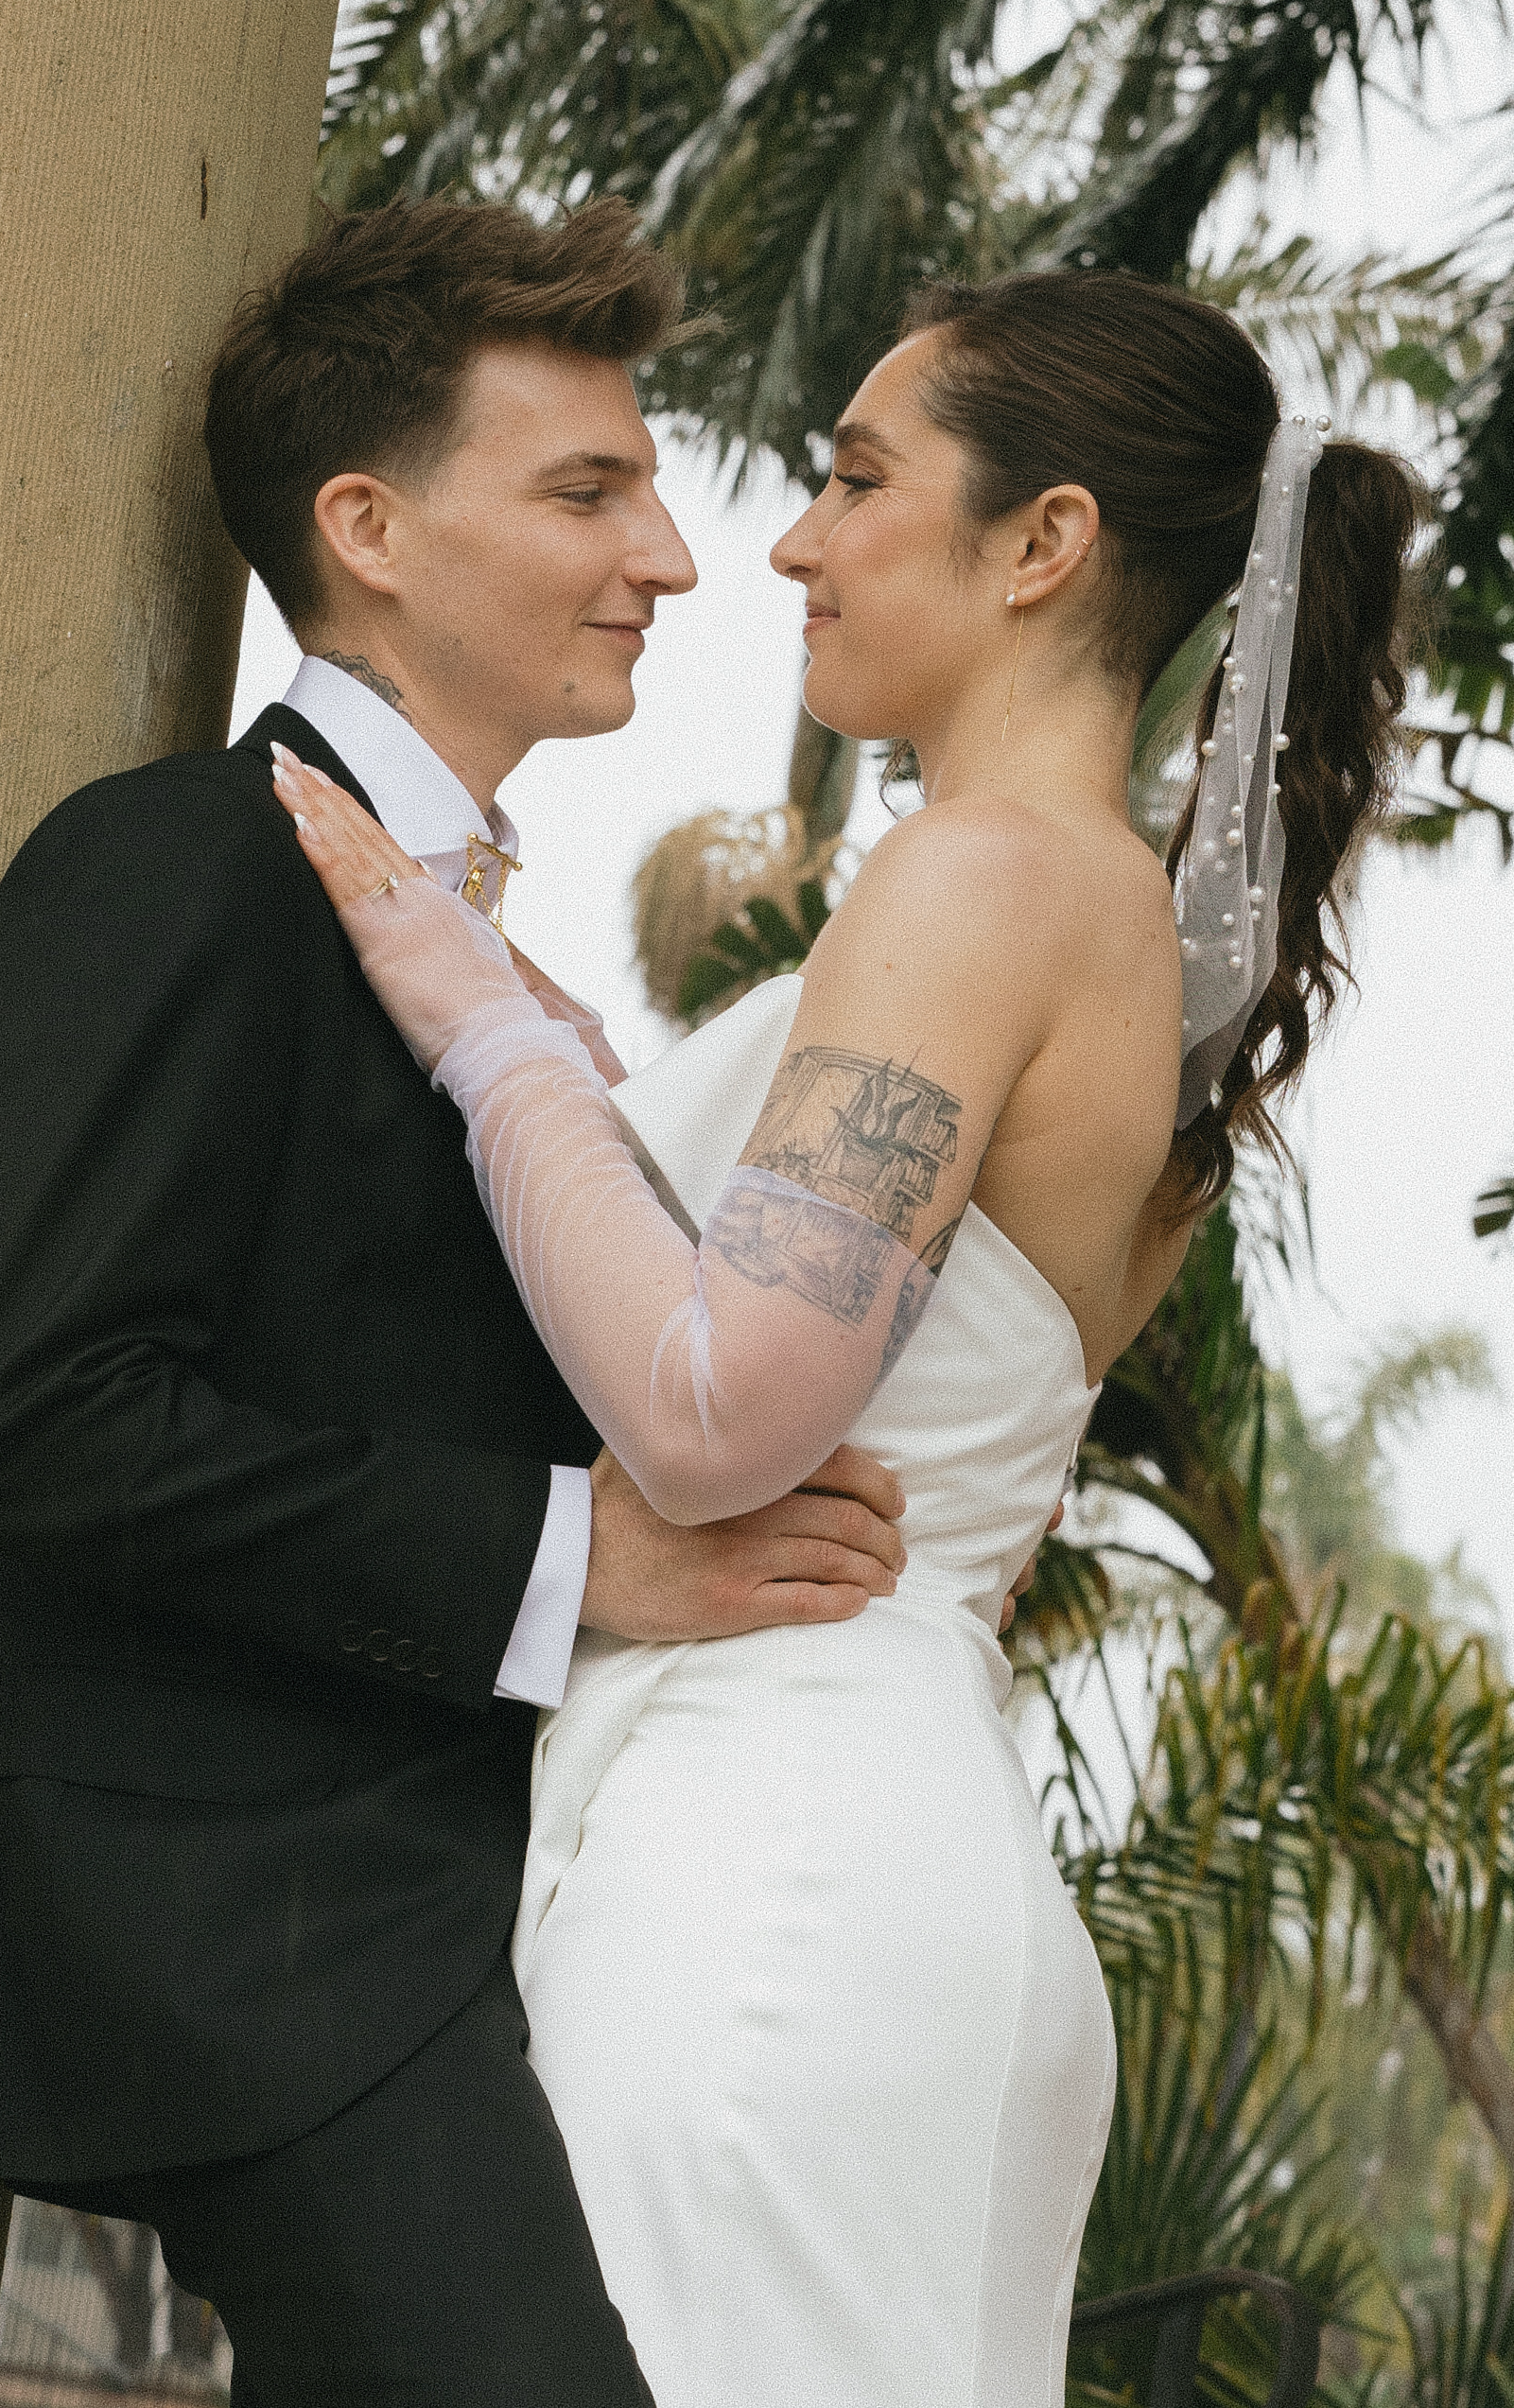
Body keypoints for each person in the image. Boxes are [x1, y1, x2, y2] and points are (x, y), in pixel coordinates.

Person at [0, 200, 923, 2407]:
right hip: (244, 1924)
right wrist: (580, 1554)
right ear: (367, 528)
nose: (671, 557)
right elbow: (49, 1421)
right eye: (587, 490)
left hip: (457, 1902)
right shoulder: (175, 861)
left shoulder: (491, 956)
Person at [271, 267, 1427, 2407]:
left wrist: (475, 1029)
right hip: (877, 1824)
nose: (792, 542)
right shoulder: (1099, 915)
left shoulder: (980, 878)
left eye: (857, 478)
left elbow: (721, 1409)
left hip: (776, 1866)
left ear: (1044, 542)